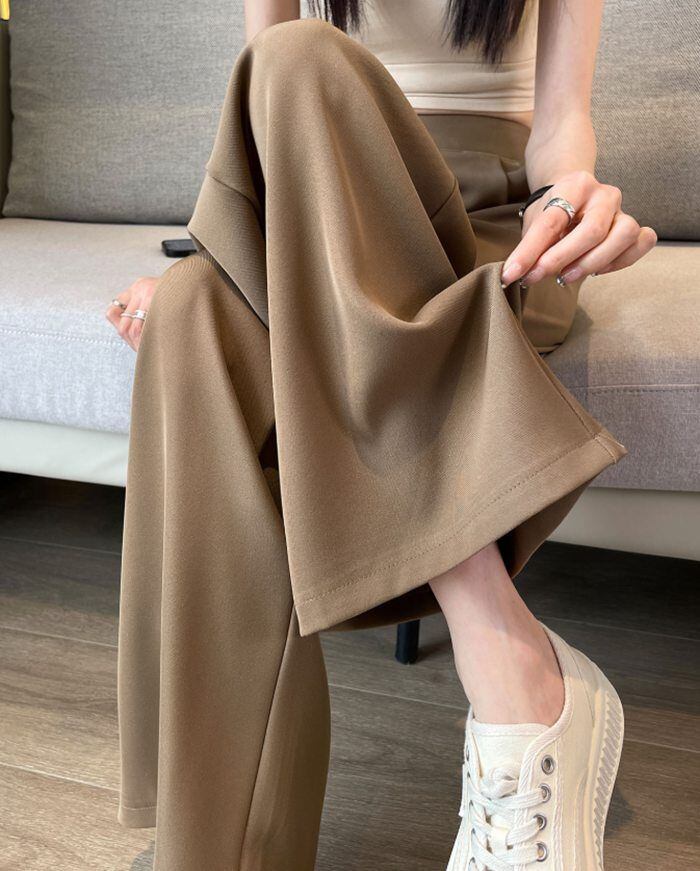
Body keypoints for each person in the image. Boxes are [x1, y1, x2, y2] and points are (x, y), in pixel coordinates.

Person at [107, 2, 656, 869]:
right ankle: (230, 846)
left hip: (483, 226)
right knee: (190, 310)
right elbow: (263, 123)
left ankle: (514, 678)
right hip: (322, 205)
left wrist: (573, 198)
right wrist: (220, 255)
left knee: (299, 57)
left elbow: (560, 128)